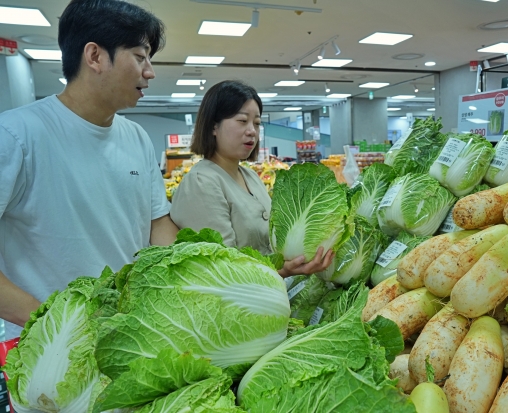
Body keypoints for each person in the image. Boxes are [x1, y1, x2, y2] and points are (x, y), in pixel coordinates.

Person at [0, 0, 179, 340]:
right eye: (140, 57)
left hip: (129, 334)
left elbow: (158, 223)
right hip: (50, 347)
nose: (150, 71)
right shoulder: (15, 135)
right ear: (95, 56)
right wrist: (55, 323)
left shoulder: (136, 137)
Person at [170, 80, 333, 277]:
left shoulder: (249, 175)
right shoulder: (201, 182)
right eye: (242, 121)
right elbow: (222, 269)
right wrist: (283, 272)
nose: (252, 131)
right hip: (242, 302)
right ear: (214, 126)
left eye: (256, 123)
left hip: (272, 294)